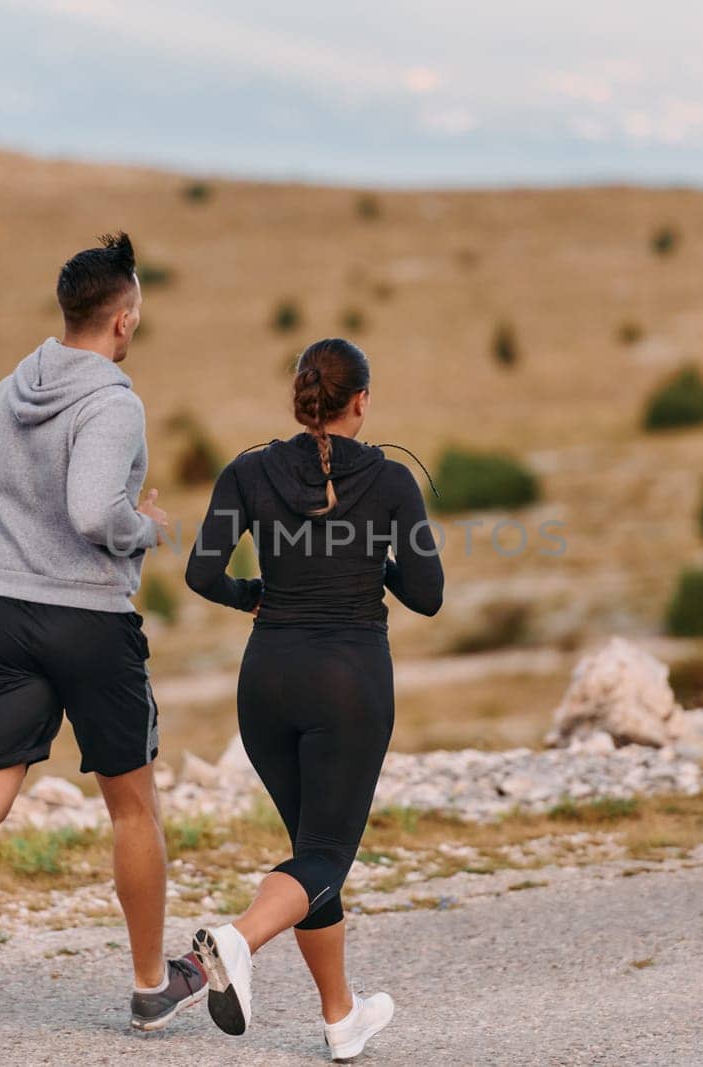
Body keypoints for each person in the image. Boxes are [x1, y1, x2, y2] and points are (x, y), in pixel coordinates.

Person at [0, 232, 206, 1058]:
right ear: (122, 320)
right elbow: (96, 511)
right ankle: (150, 989)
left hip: (9, 613)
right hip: (90, 619)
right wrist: (143, 527)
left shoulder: (6, 390)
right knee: (132, 804)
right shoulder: (115, 402)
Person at [183, 338, 445, 1061]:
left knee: (312, 856)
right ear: (361, 401)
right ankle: (236, 941)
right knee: (327, 852)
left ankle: (341, 1016)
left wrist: (256, 595)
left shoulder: (248, 470)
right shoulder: (390, 481)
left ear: (302, 399)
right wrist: (374, 553)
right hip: (348, 683)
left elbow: (203, 575)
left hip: (264, 682)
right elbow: (428, 595)